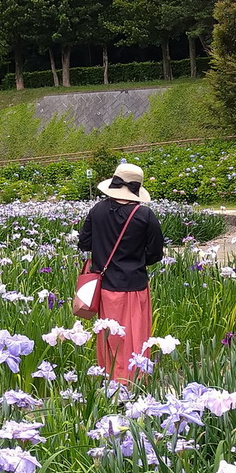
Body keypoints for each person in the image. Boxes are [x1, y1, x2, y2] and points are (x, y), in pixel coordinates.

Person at [78, 162, 166, 384]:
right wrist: (134, 259)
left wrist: (103, 251)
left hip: (105, 286)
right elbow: (155, 255)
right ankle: (133, 380)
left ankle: (110, 378)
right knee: (135, 334)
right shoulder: (145, 215)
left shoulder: (97, 210)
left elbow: (84, 243)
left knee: (110, 335)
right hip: (134, 285)